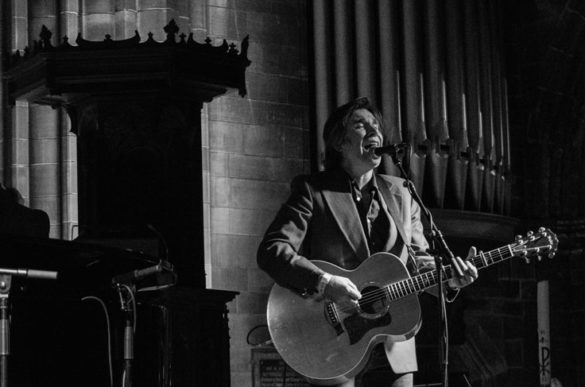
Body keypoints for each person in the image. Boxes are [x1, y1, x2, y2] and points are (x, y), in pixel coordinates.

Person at [257, 97, 478, 387]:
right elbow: (273, 251)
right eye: (361, 125)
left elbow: (418, 261)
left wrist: (448, 281)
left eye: (376, 125)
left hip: (394, 338)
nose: (374, 131)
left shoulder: (401, 193)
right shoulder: (314, 191)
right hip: (333, 338)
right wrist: (325, 283)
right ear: (340, 142)